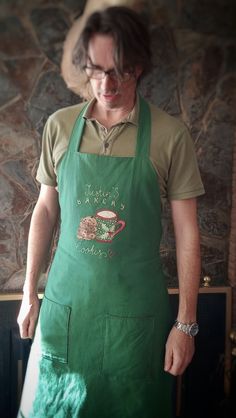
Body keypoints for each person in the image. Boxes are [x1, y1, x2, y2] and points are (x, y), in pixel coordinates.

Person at [17, 6, 204, 418]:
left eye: (119, 70)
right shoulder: (60, 126)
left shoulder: (171, 136)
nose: (106, 84)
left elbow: (188, 233)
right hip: (65, 312)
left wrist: (186, 323)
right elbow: (46, 209)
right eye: (95, 70)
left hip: (134, 320)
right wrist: (30, 292)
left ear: (139, 66)